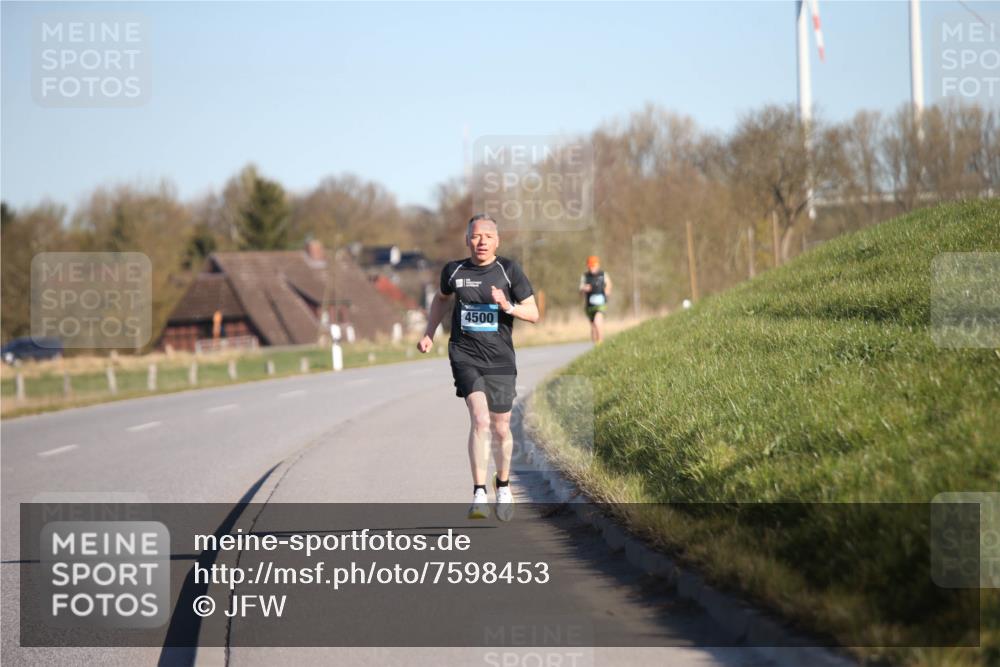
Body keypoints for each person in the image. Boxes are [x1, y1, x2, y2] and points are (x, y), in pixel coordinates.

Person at [417, 214, 539, 520]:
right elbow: (441, 300)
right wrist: (430, 332)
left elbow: (534, 313)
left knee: (500, 427)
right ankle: (479, 493)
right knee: (481, 420)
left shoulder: (509, 271)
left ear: (497, 240)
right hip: (465, 354)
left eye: (487, 236)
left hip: (500, 359)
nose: (481, 241)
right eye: (475, 236)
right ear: (467, 240)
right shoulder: (454, 271)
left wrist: (508, 307)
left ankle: (504, 486)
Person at [580, 255, 611, 344]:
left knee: (598, 322)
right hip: (589, 306)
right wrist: (584, 289)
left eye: (593, 266)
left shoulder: (603, 274)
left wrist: (607, 290)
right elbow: (580, 290)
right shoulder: (585, 276)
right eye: (590, 266)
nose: (591, 268)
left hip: (600, 304)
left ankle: (600, 343)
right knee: (593, 326)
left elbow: (609, 284)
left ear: (597, 265)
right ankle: (595, 346)